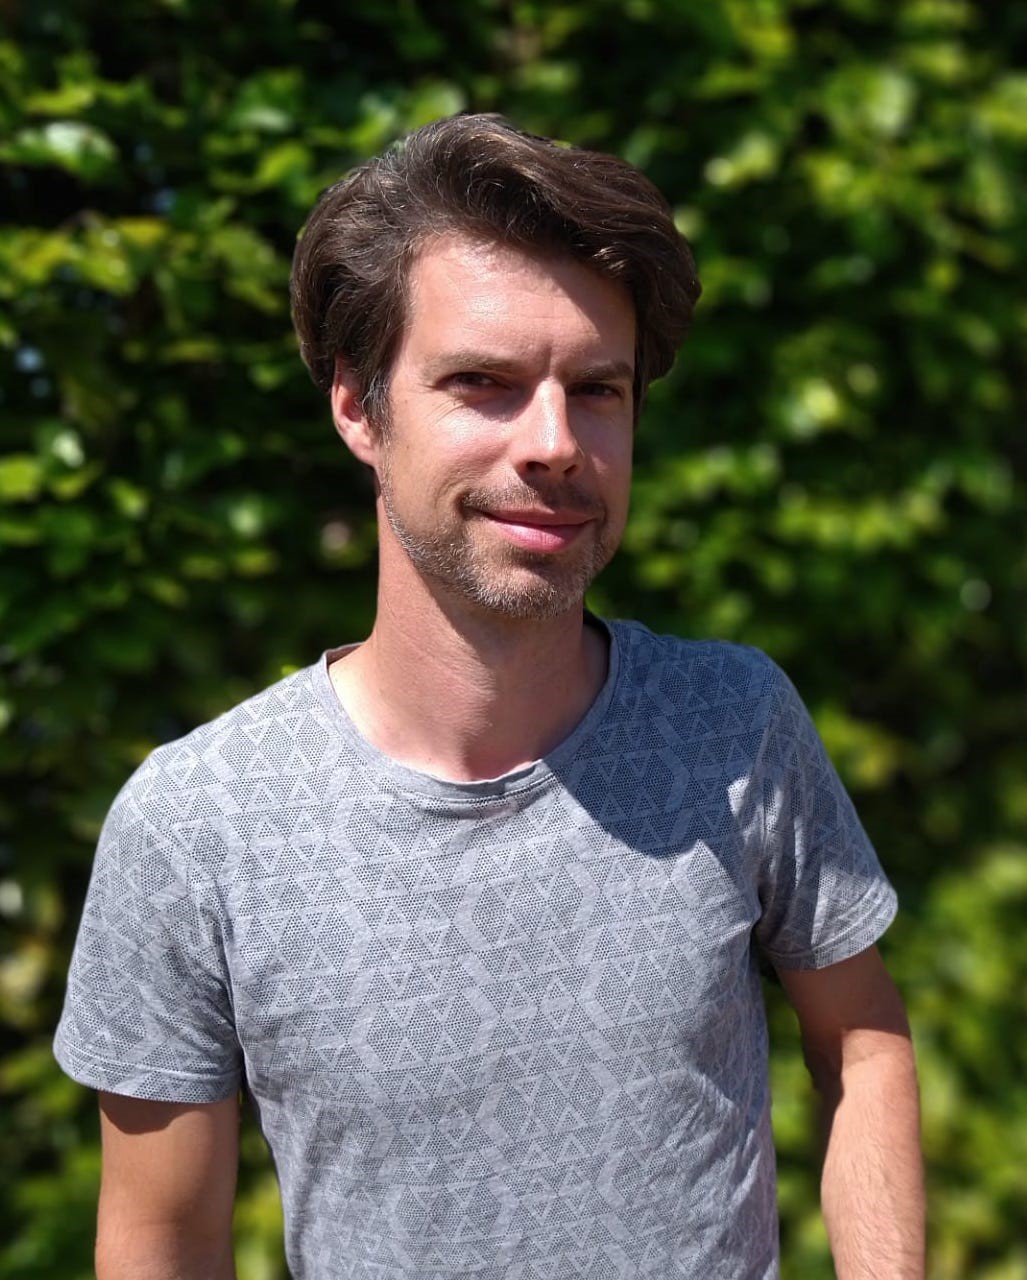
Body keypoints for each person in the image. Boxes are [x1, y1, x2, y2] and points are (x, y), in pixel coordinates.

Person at [55, 113, 924, 1279]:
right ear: (357, 405)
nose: (556, 442)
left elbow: (861, 1037)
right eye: (484, 384)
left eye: (597, 388)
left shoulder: (732, 723)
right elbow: (160, 1239)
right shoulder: (197, 825)